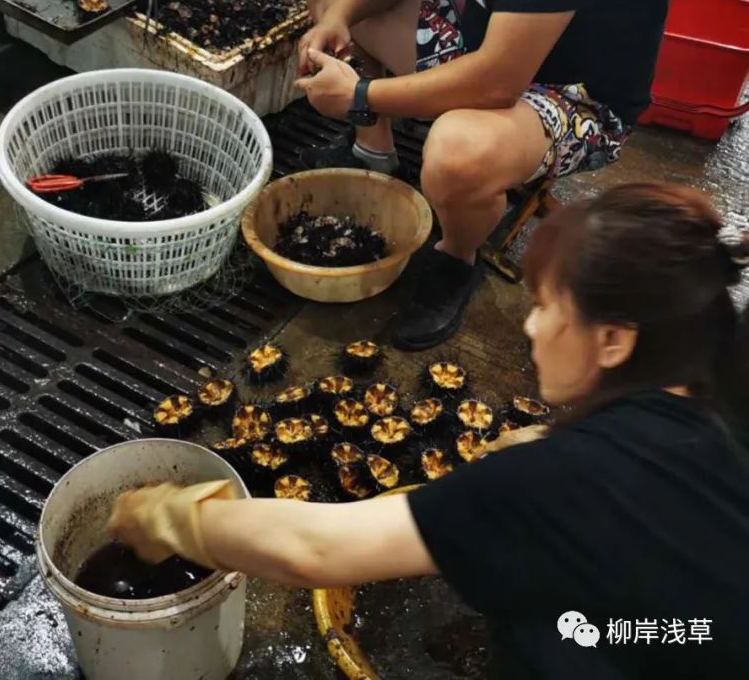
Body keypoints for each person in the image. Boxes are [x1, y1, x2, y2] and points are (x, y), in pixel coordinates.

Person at [109, 183, 749, 679]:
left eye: (547, 308)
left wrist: (172, 518)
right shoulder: (726, 415)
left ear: (613, 340)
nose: (529, 330)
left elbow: (317, 549)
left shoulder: (549, 484)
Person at [293, 0, 674, 351]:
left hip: (576, 98)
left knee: (456, 152)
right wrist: (340, 17)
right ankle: (373, 153)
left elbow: (498, 80)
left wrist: (359, 94)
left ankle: (456, 255)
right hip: (494, 39)